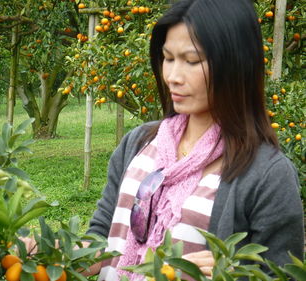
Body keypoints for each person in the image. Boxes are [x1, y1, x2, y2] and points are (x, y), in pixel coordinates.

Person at [85, 0, 304, 280]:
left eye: (191, 61)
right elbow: (104, 236)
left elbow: (282, 273)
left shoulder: (268, 175)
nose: (173, 77)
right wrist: (59, 254)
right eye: (168, 58)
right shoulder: (138, 144)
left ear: (234, 63)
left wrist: (231, 274)